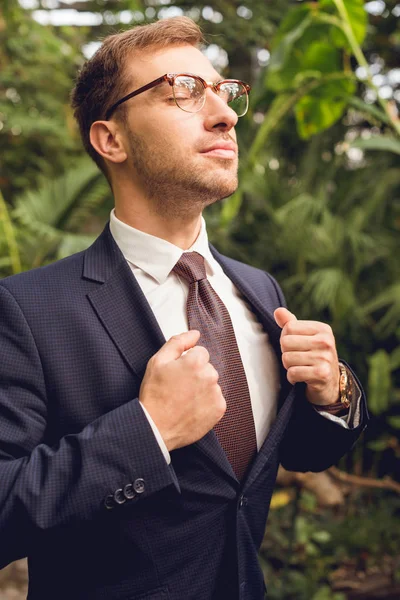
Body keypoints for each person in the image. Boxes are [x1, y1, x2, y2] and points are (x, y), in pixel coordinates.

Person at [0, 16, 368, 600]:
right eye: (183, 91)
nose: (224, 114)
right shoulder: (25, 309)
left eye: (224, 93)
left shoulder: (260, 289)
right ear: (111, 140)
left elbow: (294, 454)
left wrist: (334, 392)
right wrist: (147, 432)